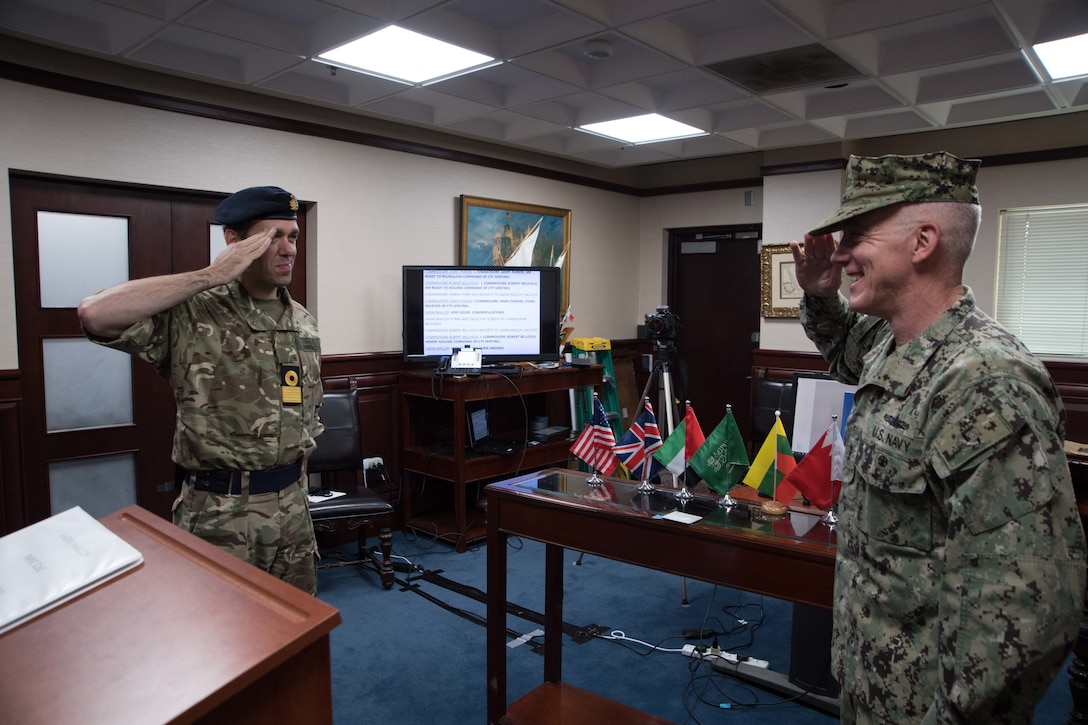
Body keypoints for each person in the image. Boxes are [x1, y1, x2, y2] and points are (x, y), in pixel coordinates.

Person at [789, 152, 1086, 723]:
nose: (844, 251)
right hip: (872, 683)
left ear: (923, 241)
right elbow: (846, 352)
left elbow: (1025, 612)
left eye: (858, 234)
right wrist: (823, 292)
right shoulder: (891, 343)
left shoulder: (983, 379)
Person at [79, 185, 323, 595]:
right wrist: (211, 274)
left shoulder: (302, 321)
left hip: (294, 509)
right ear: (234, 240)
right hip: (222, 514)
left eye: (293, 236)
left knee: (296, 632)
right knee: (221, 641)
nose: (288, 249)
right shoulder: (194, 311)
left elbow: (305, 407)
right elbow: (95, 314)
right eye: (271, 236)